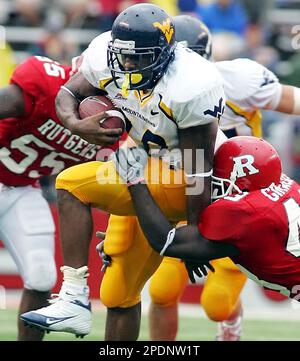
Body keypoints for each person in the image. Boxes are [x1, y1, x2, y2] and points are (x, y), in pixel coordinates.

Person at [20, 3, 226, 340]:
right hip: (141, 167)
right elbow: (68, 93)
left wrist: (193, 233)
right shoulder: (105, 52)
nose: (128, 64)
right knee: (118, 293)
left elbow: (197, 171)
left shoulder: (192, 84)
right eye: (124, 56)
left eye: (139, 57)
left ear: (165, 53)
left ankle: (73, 295)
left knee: (71, 183)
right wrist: (77, 124)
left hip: (179, 177)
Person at [96, 15, 300, 341]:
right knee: (162, 291)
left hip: (239, 202)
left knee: (217, 304)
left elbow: (293, 100)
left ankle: (230, 323)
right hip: (188, 195)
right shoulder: (152, 94)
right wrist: (120, 230)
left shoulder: (236, 80)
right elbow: (130, 160)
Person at [0, 55, 122, 341]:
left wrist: (118, 227)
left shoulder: (112, 125)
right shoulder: (45, 82)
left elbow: (118, 183)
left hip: (20, 189)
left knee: (42, 275)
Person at [121, 136, 300, 308]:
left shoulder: (246, 213)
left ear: (243, 185)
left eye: (217, 183)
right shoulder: (281, 185)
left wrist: (134, 180)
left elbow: (167, 241)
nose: (211, 188)